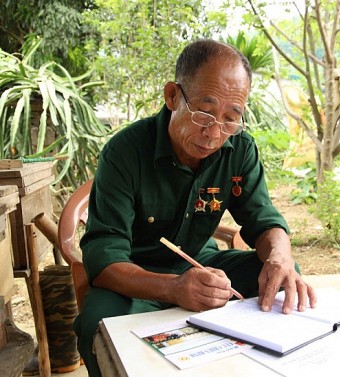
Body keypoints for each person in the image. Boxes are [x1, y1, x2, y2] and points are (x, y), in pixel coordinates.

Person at [73, 39, 316, 376]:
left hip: (202, 263)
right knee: (98, 324)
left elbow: (264, 222)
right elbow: (104, 260)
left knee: (279, 278)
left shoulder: (239, 149)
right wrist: (173, 288)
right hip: (135, 276)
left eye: (231, 118)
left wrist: (281, 257)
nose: (215, 133)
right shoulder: (126, 151)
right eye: (204, 112)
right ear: (173, 96)